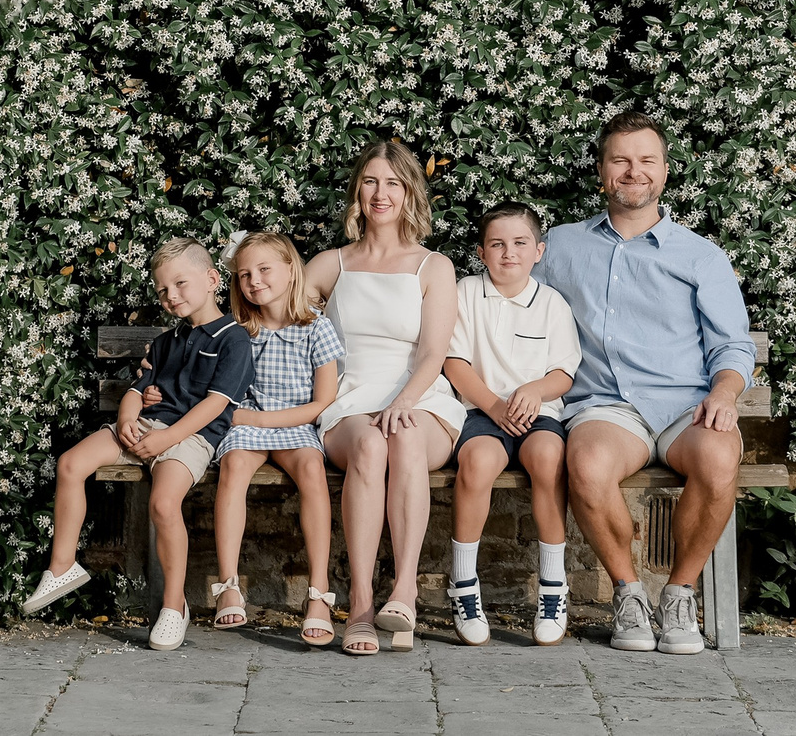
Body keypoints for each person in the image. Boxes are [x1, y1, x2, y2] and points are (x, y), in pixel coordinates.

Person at [536, 112, 754, 656]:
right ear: (602, 171)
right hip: (606, 405)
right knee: (585, 465)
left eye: (646, 161)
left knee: (720, 459)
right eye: (621, 160)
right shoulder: (557, 247)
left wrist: (724, 395)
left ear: (663, 171)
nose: (634, 171)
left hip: (687, 405)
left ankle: (680, 593)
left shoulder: (700, 255)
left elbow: (731, 344)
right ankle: (629, 594)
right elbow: (511, 306)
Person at [23, 238, 250, 653]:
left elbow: (218, 404)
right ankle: (62, 567)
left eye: (180, 284)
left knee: (163, 505)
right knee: (72, 463)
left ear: (212, 279)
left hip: (190, 438)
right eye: (162, 290)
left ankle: (173, 605)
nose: (171, 296)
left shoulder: (233, 339)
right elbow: (136, 389)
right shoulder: (166, 342)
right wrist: (127, 419)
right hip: (144, 427)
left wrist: (168, 436)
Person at [308, 139, 465, 656]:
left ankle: (403, 590)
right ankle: (358, 606)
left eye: (393, 183)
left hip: (420, 397)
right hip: (350, 399)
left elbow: (434, 352)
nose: (381, 193)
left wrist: (404, 402)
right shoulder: (332, 264)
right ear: (358, 189)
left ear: (409, 193)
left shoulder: (432, 266)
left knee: (403, 439)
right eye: (371, 181)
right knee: (372, 446)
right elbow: (275, 316)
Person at [440, 201, 581, 646]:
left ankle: (553, 588)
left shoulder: (552, 303)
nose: (509, 253)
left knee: (548, 458)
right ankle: (463, 586)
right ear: (482, 252)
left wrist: (535, 391)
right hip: (482, 411)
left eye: (520, 243)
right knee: (478, 463)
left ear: (538, 251)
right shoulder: (465, 293)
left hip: (538, 413)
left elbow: (564, 372)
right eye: (497, 244)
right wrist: (493, 405)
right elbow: (454, 361)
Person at [210, 231, 343, 646]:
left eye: (264, 269)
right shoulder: (236, 331)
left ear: (291, 269)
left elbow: (323, 401)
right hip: (244, 422)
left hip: (295, 422)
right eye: (245, 274)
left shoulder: (316, 329)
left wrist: (265, 421)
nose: (254, 280)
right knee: (233, 466)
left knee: (311, 467)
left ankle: (318, 593)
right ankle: (229, 584)